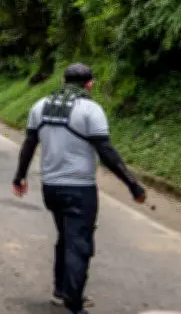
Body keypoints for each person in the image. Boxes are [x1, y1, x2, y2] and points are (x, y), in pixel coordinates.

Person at [12, 63, 146, 314]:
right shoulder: (90, 109)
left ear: (63, 81)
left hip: (50, 187)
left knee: (65, 237)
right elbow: (106, 152)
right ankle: (73, 305)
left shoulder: (39, 106)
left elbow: (29, 144)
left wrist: (19, 176)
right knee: (79, 244)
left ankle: (60, 291)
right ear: (89, 84)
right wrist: (132, 185)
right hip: (79, 189)